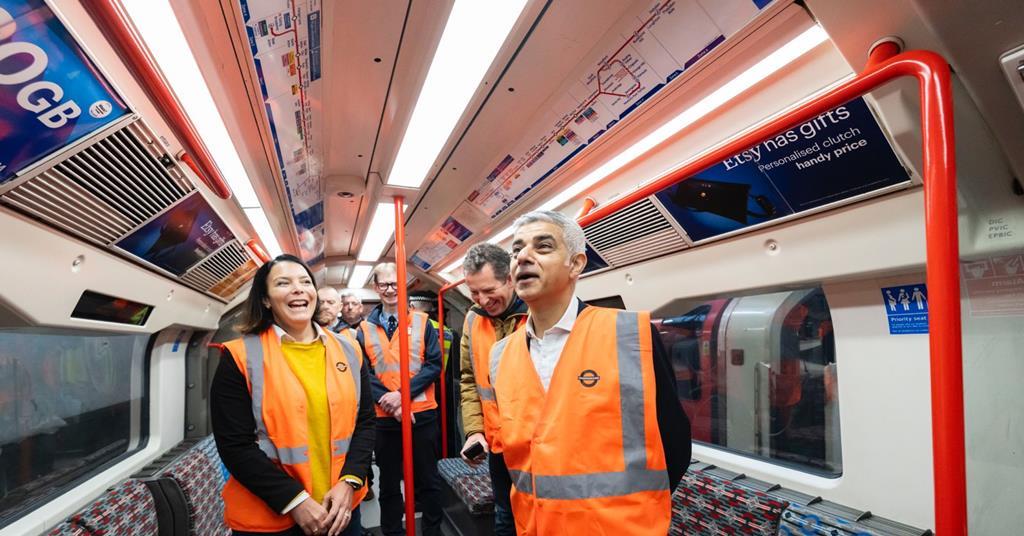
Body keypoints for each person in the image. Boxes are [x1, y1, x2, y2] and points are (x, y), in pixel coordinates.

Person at [489, 211, 691, 535]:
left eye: (542, 247)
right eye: (516, 250)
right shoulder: (500, 355)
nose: (522, 257)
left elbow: (675, 441)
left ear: (576, 264)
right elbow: (503, 455)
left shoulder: (629, 335)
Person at [211, 254, 375, 536]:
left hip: (341, 509)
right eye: (283, 283)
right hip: (272, 518)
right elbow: (235, 446)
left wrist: (350, 481)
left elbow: (365, 422)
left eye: (305, 282)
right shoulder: (239, 357)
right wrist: (295, 501)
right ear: (265, 299)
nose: (298, 289)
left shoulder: (349, 349)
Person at [355, 263, 443, 536]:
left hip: (422, 414)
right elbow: (364, 372)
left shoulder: (423, 322)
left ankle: (432, 531)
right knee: (389, 483)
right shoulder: (363, 330)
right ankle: (392, 532)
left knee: (428, 480)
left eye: (395, 283)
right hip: (384, 418)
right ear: (376, 287)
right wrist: (388, 401)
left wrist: (402, 396)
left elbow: (434, 364)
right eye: (384, 284)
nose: (391, 289)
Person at [458, 243, 527, 536]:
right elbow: (469, 380)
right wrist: (474, 431)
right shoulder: (472, 319)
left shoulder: (537, 313)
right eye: (474, 292)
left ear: (509, 278)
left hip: (536, 445)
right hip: (499, 445)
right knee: (505, 517)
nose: (482, 300)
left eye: (489, 290)